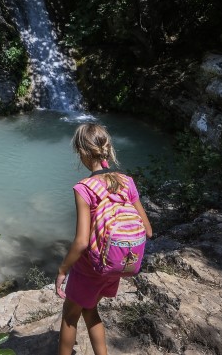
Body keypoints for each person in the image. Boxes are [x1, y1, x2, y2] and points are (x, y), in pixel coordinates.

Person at [55, 123, 153, 355]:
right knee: (90, 309)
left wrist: (62, 270)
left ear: (82, 151)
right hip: (120, 263)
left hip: (91, 267)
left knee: (70, 316)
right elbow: (148, 231)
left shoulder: (84, 188)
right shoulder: (127, 182)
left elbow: (81, 242)